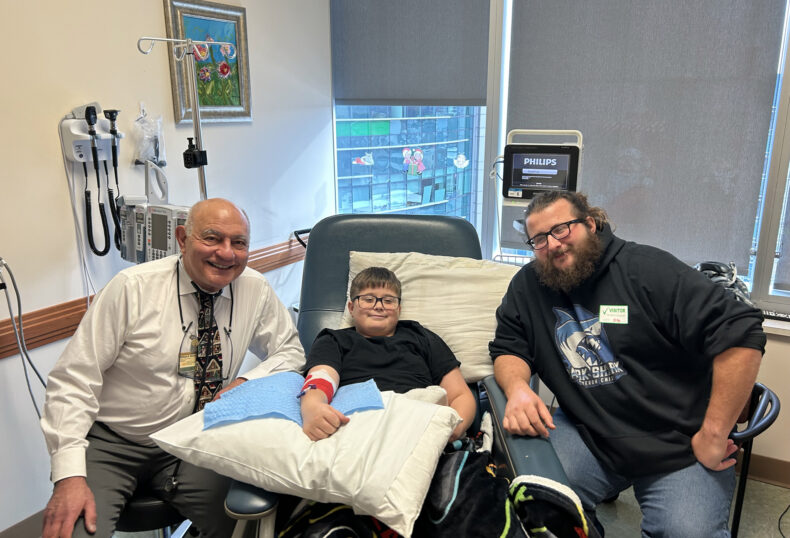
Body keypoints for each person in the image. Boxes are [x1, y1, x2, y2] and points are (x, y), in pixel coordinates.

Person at [489, 191, 765, 537]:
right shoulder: (529, 285)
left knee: (687, 532)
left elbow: (741, 333)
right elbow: (508, 346)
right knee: (533, 504)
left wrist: (713, 433)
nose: (554, 244)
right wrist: (517, 389)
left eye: (562, 229)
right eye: (540, 239)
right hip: (589, 433)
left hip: (677, 444)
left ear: (590, 224)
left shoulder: (646, 270)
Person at [40, 198, 305, 538]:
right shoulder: (131, 288)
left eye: (238, 243)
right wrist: (69, 476)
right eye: (212, 238)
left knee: (254, 525)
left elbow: (290, 352)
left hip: (195, 438)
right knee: (72, 531)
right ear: (182, 239)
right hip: (114, 443)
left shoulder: (254, 289)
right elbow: (73, 380)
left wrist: (247, 381)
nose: (226, 253)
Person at [300, 266, 476, 444]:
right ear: (351, 308)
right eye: (368, 299)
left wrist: (452, 430)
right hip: (357, 426)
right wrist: (313, 407)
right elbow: (321, 380)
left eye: (388, 301)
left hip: (417, 424)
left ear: (398, 309)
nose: (378, 306)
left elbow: (461, 395)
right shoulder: (333, 340)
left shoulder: (420, 336)